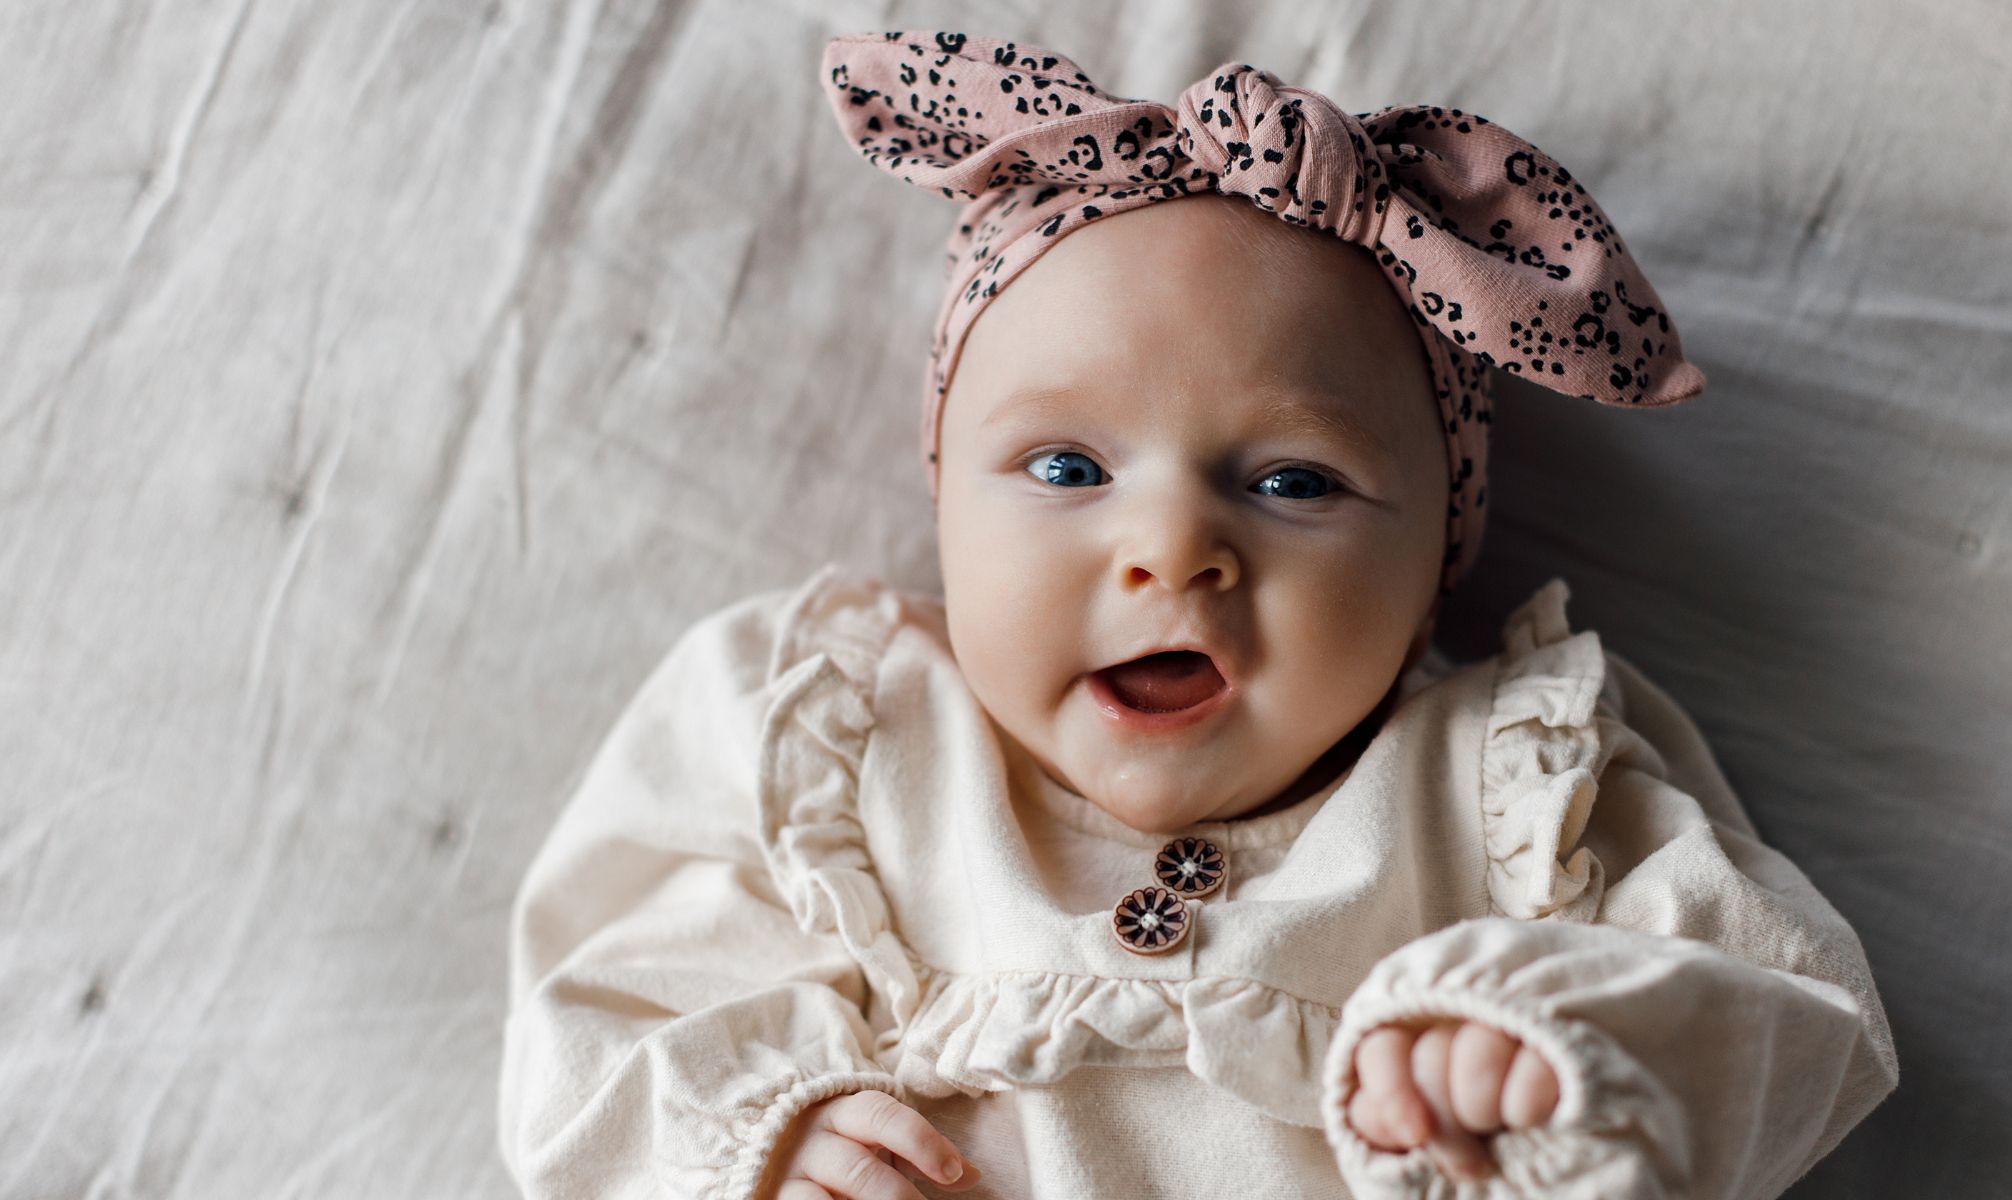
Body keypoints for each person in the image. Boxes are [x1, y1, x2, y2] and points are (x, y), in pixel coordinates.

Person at [498, 29, 1896, 1200]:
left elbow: (1791, 1018)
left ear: (1438, 556)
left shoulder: (1511, 789)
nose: (1172, 551)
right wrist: (755, 1139)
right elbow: (604, 1007)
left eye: (1293, 482)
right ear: (943, 505)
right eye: (1067, 470)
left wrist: (1561, 1067)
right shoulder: (835, 730)